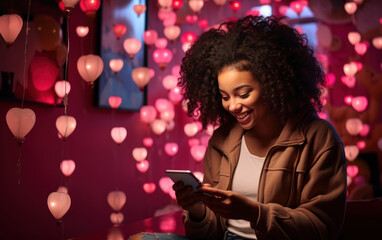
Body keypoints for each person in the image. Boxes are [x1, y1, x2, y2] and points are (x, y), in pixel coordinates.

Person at [129, 15, 347, 240]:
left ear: (273, 84)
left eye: (243, 94)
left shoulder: (318, 137)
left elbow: (322, 228)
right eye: (224, 96)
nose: (232, 106)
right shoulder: (222, 140)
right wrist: (196, 210)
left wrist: (253, 212)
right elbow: (207, 235)